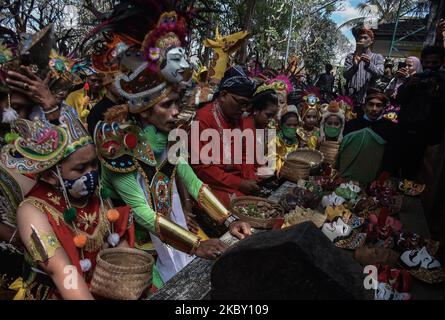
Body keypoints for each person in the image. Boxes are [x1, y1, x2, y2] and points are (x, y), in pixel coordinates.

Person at [96, 12, 251, 288]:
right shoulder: (117, 146)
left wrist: (229, 220)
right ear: (143, 111)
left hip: (171, 233)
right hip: (130, 246)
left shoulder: (168, 138)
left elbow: (192, 182)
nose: (177, 112)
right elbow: (141, 212)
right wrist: (195, 245)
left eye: (177, 102)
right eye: (166, 105)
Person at [1, 109, 135, 300]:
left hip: (108, 287)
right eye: (80, 168)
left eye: (94, 165)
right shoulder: (32, 211)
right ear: (50, 175)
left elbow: (117, 241)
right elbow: (63, 274)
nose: (91, 174)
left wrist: (131, 278)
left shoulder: (95, 192)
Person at [192, 65, 258, 207]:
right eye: (241, 103)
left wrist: (250, 179)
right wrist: (240, 183)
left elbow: (246, 153)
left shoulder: (237, 116)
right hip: (214, 185)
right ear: (223, 95)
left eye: (247, 105)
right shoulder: (203, 118)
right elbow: (203, 168)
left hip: (237, 181)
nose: (244, 109)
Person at [396, 46, 445, 180]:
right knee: (398, 165)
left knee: (419, 172)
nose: (430, 66)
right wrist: (408, 86)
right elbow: (399, 100)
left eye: (434, 63)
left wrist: (435, 92)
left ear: (441, 63)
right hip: (406, 130)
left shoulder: (442, 82)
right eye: (427, 63)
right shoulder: (414, 78)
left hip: (428, 136)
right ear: (422, 62)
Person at [340, 89, 399, 183]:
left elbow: (391, 155)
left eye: (378, 105)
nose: (374, 109)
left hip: (375, 179)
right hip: (349, 177)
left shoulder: (390, 128)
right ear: (364, 107)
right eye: (371, 104)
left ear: (384, 109)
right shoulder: (351, 125)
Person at [241, 85, 279, 180]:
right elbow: (245, 165)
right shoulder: (245, 128)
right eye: (268, 115)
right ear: (256, 110)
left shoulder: (261, 126)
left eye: (273, 116)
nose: (270, 120)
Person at [343, 28, 384, 107]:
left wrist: (369, 65)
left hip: (368, 100)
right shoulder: (350, 56)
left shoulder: (377, 57)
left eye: (365, 38)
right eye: (360, 38)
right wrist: (354, 67)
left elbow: (380, 73)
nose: (362, 40)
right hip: (351, 99)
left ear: (371, 41)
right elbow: (345, 75)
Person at [270, 106, 300, 174]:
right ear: (281, 125)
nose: (292, 127)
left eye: (295, 125)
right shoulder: (274, 140)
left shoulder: (297, 141)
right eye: (288, 125)